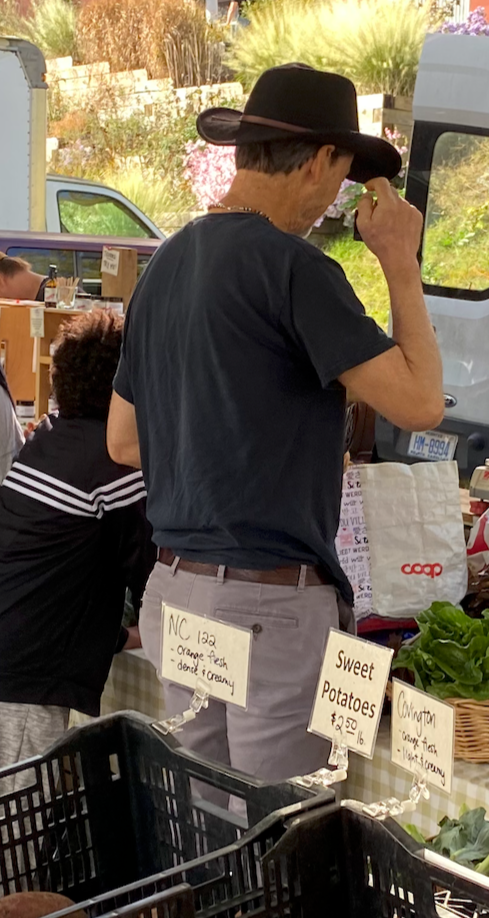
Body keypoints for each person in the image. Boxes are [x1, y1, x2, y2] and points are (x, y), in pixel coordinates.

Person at [106, 63, 444, 784]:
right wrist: (400, 264)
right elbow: (420, 404)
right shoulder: (294, 269)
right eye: (344, 176)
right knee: (287, 834)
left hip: (178, 589)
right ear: (320, 161)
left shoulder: (162, 267)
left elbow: (123, 441)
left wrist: (228, 442)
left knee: (204, 825)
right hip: (269, 604)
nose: (335, 200)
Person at [0, 311, 152, 790]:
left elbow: (53, 564)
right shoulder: (115, 465)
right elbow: (155, 574)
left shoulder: (46, 440)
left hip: (15, 655)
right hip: (27, 677)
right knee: (17, 844)